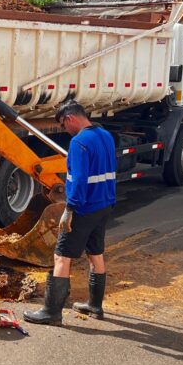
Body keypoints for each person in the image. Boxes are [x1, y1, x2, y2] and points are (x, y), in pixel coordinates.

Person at [24, 100, 116, 325]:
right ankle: (95, 306)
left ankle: (51, 312)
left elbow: (78, 180)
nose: (65, 130)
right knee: (96, 254)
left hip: (84, 208)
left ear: (70, 118)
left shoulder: (79, 143)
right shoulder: (105, 135)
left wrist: (70, 209)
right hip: (104, 204)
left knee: (61, 257)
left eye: (64, 125)